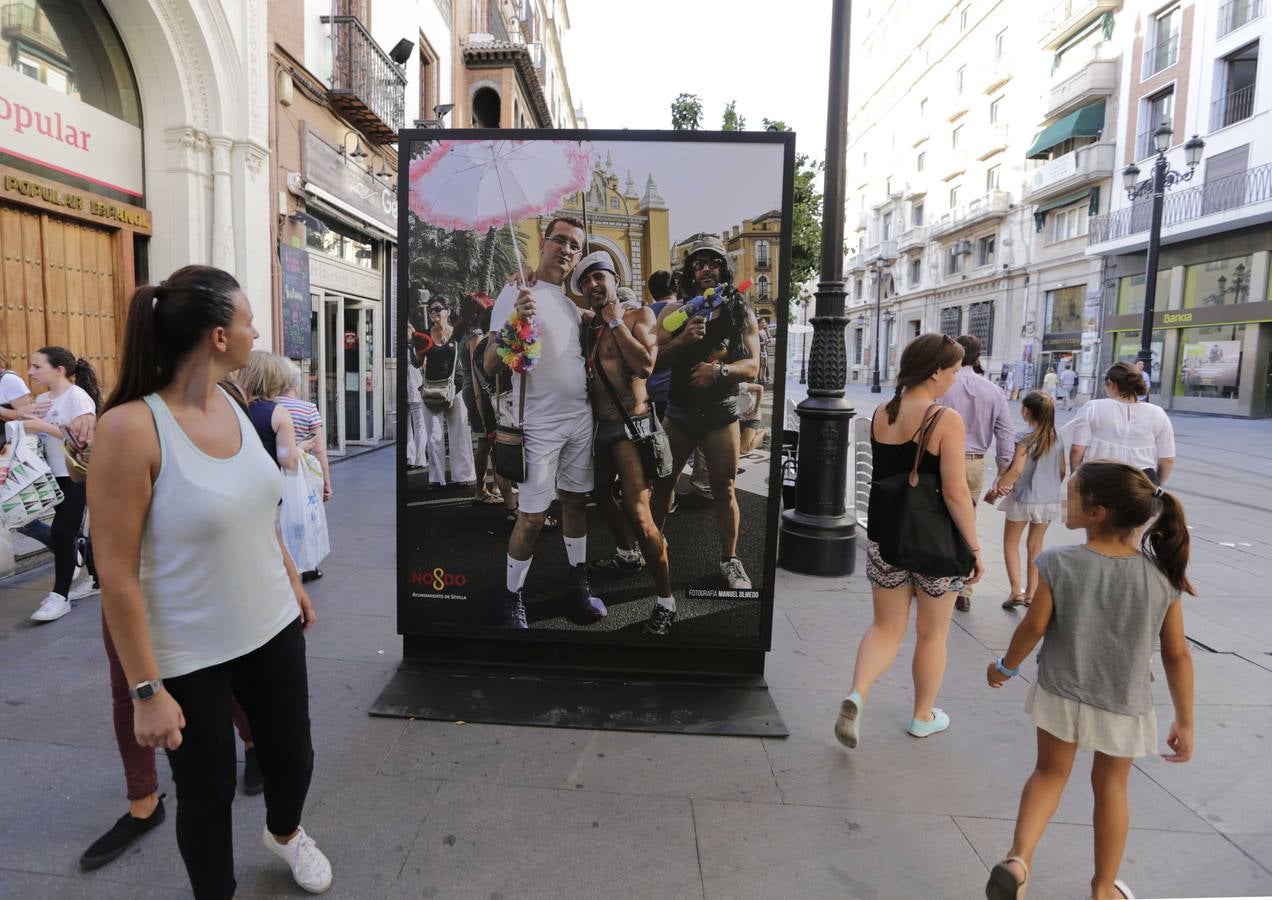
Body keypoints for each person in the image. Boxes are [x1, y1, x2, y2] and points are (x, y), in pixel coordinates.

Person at [88, 265, 331, 897]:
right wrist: (146, 691)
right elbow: (113, 572)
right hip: (187, 650)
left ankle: (284, 834)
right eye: (248, 320)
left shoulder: (233, 401)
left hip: (271, 622)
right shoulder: (130, 428)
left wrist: (291, 579)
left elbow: (257, 505)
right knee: (207, 792)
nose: (257, 332)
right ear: (218, 337)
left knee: (293, 757)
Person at [984, 462, 1194, 900]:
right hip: (1123, 701)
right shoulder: (1160, 579)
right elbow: (1177, 654)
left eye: (1073, 493)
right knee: (1111, 789)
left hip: (1061, 690)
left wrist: (1006, 666)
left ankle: (1018, 860)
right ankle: (1103, 889)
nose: (1065, 499)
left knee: (1047, 774)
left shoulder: (1059, 563)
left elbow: (1033, 627)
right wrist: (1185, 720)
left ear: (1097, 513)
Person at [834, 334, 983, 750]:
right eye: (953, 370)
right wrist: (974, 548)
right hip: (934, 545)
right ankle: (922, 716)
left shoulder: (884, 412)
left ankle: (858, 692)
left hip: (887, 537)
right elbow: (955, 493)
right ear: (935, 371)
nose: (955, 378)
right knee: (932, 635)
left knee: (885, 627)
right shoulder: (944, 419)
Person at [484, 215, 605, 628]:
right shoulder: (515, 292)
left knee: (574, 502)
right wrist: (517, 318)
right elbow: (487, 363)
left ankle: (578, 584)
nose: (569, 251)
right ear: (543, 242)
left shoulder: (572, 305)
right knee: (533, 516)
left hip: (579, 418)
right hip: (538, 425)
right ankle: (511, 597)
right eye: (562, 241)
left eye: (576, 246)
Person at [649, 235, 763, 590]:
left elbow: (754, 367)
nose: (706, 269)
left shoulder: (738, 309)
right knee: (662, 484)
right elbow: (651, 362)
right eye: (698, 264)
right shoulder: (674, 311)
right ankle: (651, 549)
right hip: (680, 411)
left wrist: (719, 371)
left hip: (720, 411)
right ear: (690, 273)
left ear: (722, 267)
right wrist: (682, 338)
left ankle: (730, 559)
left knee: (724, 488)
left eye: (712, 262)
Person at [573, 252, 675, 634]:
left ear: (615, 278)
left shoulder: (638, 317)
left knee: (641, 516)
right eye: (584, 282)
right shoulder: (588, 326)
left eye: (598, 277)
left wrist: (616, 319)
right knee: (598, 493)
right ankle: (626, 554)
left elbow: (644, 366)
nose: (592, 286)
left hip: (632, 428)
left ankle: (666, 601)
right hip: (598, 428)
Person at [20, 347, 101, 623]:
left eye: (36, 366)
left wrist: (41, 426)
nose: (30, 372)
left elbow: (84, 439)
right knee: (72, 531)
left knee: (62, 532)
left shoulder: (77, 398)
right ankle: (97, 580)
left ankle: (60, 596)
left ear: (59, 370)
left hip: (77, 474)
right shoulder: (42, 398)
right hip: (52, 476)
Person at [937, 334, 1015, 611]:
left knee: (933, 515)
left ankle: (930, 576)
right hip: (973, 462)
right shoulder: (992, 390)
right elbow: (1006, 436)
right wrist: (1003, 472)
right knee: (966, 521)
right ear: (978, 358)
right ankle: (964, 588)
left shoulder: (941, 385)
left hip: (937, 458)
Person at [985, 391, 1064, 610]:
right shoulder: (1056, 438)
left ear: (1026, 411)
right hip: (1048, 499)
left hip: (1024, 497)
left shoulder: (1023, 437)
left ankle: (1015, 591)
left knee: (1011, 542)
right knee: (1035, 545)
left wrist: (999, 488)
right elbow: (1062, 470)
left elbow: (1017, 469)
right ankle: (1031, 593)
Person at [1069, 362, 1175, 486]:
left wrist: (1075, 479)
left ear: (1111, 383)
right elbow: (1167, 459)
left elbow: (1077, 449)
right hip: (1141, 482)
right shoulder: (1158, 413)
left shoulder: (1093, 407)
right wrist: (1155, 487)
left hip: (1099, 478)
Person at [276, 360, 332, 583]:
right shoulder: (308, 409)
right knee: (307, 518)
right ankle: (307, 565)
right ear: (296, 385)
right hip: (304, 472)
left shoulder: (269, 406)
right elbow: (319, 448)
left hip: (278, 470)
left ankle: (286, 565)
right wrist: (326, 483)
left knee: (282, 519)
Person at [419, 298, 476, 488]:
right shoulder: (426, 335)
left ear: (447, 311)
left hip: (455, 388)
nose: (434, 313)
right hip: (431, 390)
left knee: (459, 432)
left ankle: (463, 476)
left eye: (437, 309)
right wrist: (417, 347)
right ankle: (436, 479)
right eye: (430, 310)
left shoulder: (457, 334)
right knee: (434, 436)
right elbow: (416, 363)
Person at [459, 293, 501, 505]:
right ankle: (481, 489)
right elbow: (478, 369)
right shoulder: (475, 334)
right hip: (477, 390)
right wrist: (480, 400)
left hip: (475, 389)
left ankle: (494, 486)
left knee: (489, 439)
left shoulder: (467, 332)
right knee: (486, 438)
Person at [235, 350, 300, 474]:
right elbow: (288, 461)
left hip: (233, 482)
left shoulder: (229, 404)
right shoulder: (279, 413)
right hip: (264, 484)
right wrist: (300, 449)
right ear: (276, 381)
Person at [645, 270, 676, 422]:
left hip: (649, 392)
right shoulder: (682, 309)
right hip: (674, 392)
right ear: (675, 288)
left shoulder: (644, 313)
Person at [405, 315, 427, 470]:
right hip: (416, 388)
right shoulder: (415, 349)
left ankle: (409, 457)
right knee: (419, 425)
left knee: (407, 426)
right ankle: (419, 458)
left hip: (406, 390)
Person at [738, 382, 767, 454]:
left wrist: (755, 410)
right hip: (737, 420)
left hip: (751, 419)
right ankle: (753, 433)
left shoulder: (740, 386)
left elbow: (760, 388)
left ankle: (764, 431)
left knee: (744, 449)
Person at [757, 318, 771, 385]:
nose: (764, 324)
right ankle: (759, 379)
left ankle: (763, 378)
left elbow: (768, 338)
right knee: (760, 365)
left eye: (764, 322)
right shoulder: (757, 331)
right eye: (762, 322)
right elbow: (756, 343)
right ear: (759, 323)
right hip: (759, 350)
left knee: (765, 365)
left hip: (764, 350)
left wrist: (767, 330)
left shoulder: (763, 331)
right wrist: (765, 343)